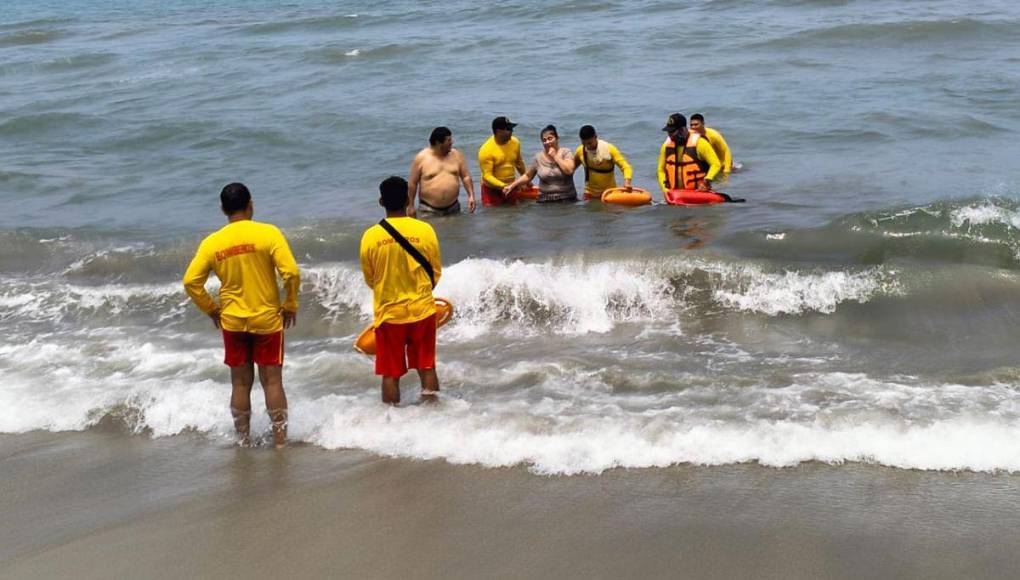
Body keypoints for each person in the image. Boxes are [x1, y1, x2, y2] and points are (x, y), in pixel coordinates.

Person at [183, 183, 300, 448]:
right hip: (266, 319)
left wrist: (211, 309)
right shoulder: (268, 233)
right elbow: (291, 272)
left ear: (223, 209)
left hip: (233, 320)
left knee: (239, 383)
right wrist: (290, 303)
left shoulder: (213, 242)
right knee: (272, 381)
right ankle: (280, 441)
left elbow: (191, 281)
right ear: (251, 204)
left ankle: (243, 440)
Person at [360, 176, 442, 405]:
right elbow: (435, 271)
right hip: (422, 310)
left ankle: (392, 422)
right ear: (408, 198)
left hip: (389, 314)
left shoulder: (371, 236)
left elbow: (370, 278)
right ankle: (435, 417)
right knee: (426, 366)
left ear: (380, 202)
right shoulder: (425, 230)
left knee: (391, 373)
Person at [408, 126, 477, 217]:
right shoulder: (421, 158)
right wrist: (410, 205)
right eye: (448, 140)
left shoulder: (456, 155)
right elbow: (413, 183)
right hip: (428, 209)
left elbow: (465, 177)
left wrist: (471, 196)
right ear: (438, 142)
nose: (452, 142)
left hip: (453, 208)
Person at [505, 125, 577, 203]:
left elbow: (569, 170)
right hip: (544, 199)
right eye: (544, 140)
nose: (547, 142)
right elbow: (528, 176)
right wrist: (512, 185)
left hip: (567, 199)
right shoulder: (538, 157)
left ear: (557, 139)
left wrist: (555, 156)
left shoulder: (566, 152)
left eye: (550, 138)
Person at [657, 113, 722, 193]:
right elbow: (661, 170)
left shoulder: (700, 143)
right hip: (674, 194)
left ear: (682, 129)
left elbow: (716, 164)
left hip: (697, 192)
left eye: (672, 131)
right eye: (668, 131)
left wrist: (706, 181)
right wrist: (665, 190)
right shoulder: (666, 146)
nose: (669, 134)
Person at [477, 116, 527, 206]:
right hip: (491, 189)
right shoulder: (486, 149)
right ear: (499, 131)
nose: (512, 131)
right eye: (508, 129)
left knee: (514, 213)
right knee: (494, 216)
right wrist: (503, 186)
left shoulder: (515, 142)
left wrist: (527, 180)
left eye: (512, 128)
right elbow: (487, 175)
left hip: (511, 186)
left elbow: (519, 163)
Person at [573, 125, 634, 199]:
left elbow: (625, 167)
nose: (587, 146)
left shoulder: (609, 149)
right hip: (589, 193)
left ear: (595, 136)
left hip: (609, 193)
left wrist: (627, 182)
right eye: (584, 143)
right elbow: (571, 168)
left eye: (589, 143)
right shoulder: (580, 151)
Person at [689, 113, 732, 179]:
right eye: (691, 125)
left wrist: (726, 171)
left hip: (720, 165)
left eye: (696, 124)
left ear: (703, 123)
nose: (693, 127)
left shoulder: (714, 135)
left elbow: (726, 151)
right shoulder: (690, 136)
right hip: (707, 165)